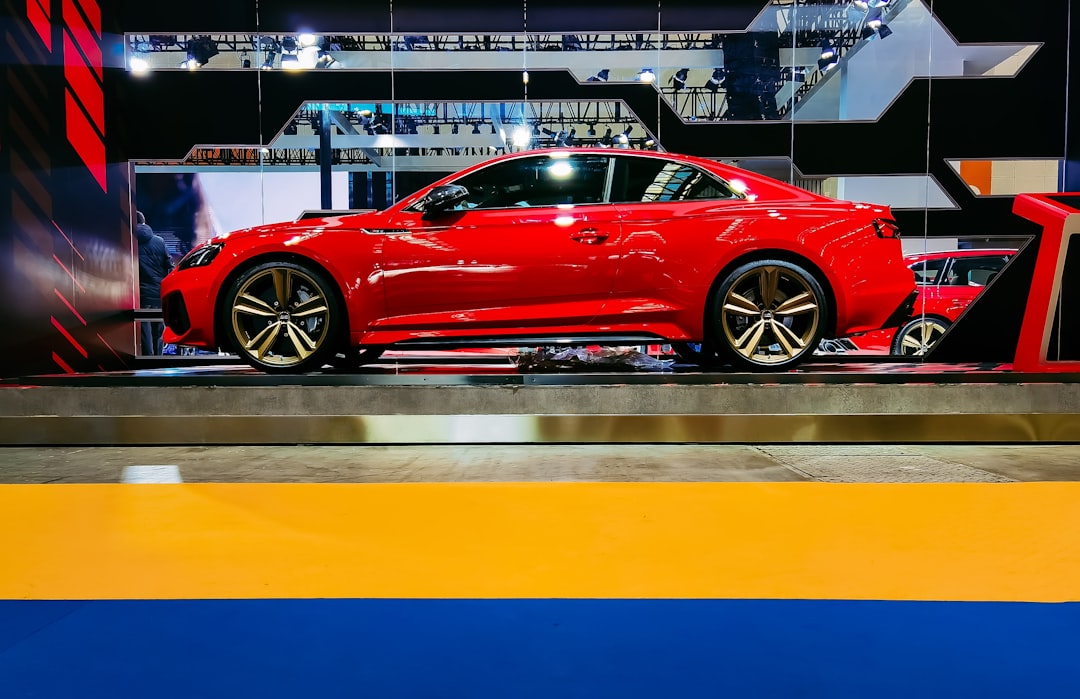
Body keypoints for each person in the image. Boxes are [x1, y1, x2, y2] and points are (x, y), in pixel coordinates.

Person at [135, 211, 172, 355]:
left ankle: (147, 360)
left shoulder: (130, 243)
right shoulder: (160, 241)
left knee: (144, 327)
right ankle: (158, 360)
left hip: (141, 292)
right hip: (158, 290)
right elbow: (169, 265)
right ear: (144, 222)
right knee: (158, 327)